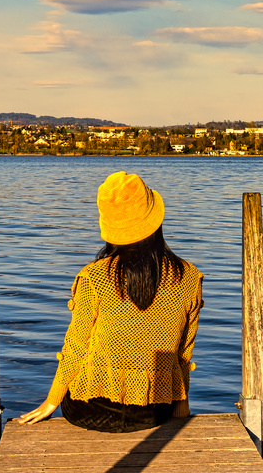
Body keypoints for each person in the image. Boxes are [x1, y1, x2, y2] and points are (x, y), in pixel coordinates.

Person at [18, 171, 203, 433]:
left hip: (89, 410)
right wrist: (180, 410)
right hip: (153, 412)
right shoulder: (189, 277)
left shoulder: (95, 276)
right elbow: (184, 352)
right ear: (155, 219)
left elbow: (76, 345)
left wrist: (52, 401)